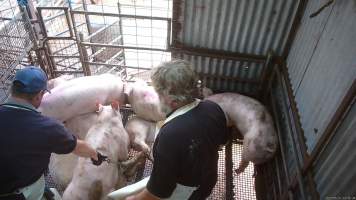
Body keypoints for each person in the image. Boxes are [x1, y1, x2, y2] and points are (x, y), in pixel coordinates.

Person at [126, 60, 230, 200]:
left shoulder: (169, 135)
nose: (157, 97)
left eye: (159, 93)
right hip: (209, 179)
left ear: (172, 100)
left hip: (186, 193)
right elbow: (221, 142)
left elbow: (158, 192)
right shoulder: (214, 108)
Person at [0, 66, 106, 200]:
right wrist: (95, 154)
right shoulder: (46, 127)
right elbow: (78, 147)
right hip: (18, 194)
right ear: (39, 95)